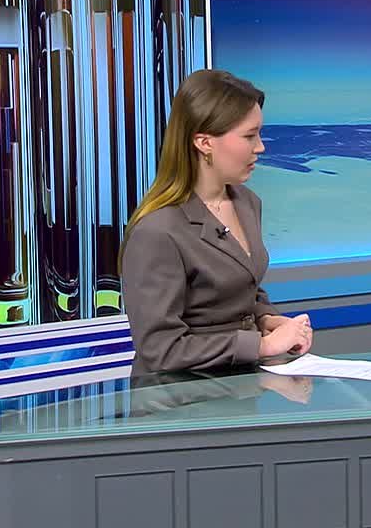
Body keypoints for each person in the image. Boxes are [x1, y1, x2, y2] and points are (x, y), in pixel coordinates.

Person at [120, 69, 314, 375]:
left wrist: (266, 318)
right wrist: (261, 346)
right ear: (204, 142)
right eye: (249, 136)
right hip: (180, 395)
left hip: (241, 386)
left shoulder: (247, 203)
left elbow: (239, 288)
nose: (260, 147)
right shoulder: (157, 232)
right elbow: (160, 349)